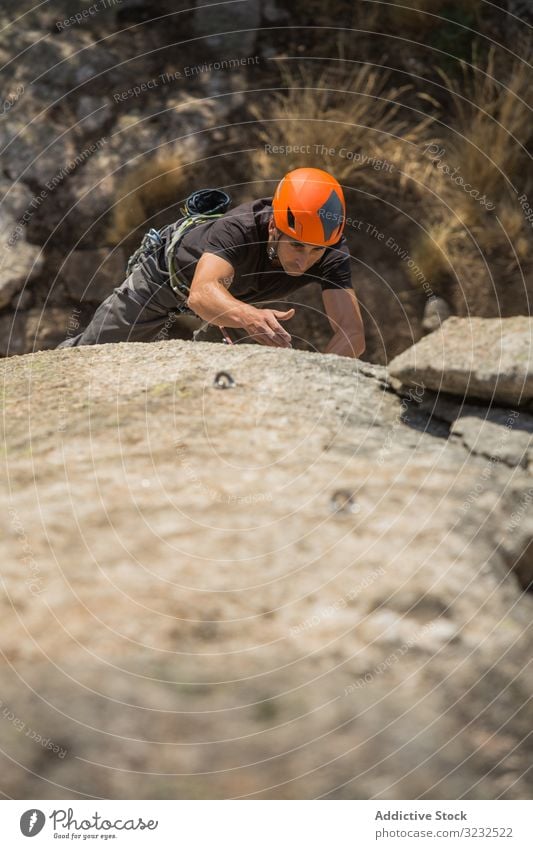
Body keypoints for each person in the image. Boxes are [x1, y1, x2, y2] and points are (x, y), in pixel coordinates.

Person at [57, 167, 365, 357]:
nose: (304, 261)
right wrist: (249, 317)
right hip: (161, 280)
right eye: (296, 245)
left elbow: (352, 334)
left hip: (226, 297)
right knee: (91, 352)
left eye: (316, 251)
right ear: (273, 227)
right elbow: (202, 293)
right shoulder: (240, 228)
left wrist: (320, 372)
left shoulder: (331, 251)